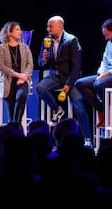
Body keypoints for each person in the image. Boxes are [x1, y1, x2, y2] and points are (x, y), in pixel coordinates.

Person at [35, 15, 91, 143]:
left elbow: (76, 67)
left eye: (50, 26)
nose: (47, 28)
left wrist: (68, 85)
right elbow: (40, 62)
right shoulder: (46, 40)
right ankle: (57, 109)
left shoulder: (71, 40)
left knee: (79, 108)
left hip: (72, 78)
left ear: (60, 26)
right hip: (55, 76)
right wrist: (43, 59)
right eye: (48, 26)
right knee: (40, 88)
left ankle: (87, 139)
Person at [0, 21, 34, 124]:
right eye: (17, 29)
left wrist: (24, 77)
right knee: (11, 111)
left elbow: (30, 64)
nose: (20, 32)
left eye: (20, 29)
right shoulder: (0, 49)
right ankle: (14, 125)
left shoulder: (25, 48)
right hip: (7, 82)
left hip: (22, 81)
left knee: (21, 96)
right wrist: (18, 75)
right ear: (9, 32)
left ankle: (16, 124)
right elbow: (1, 66)